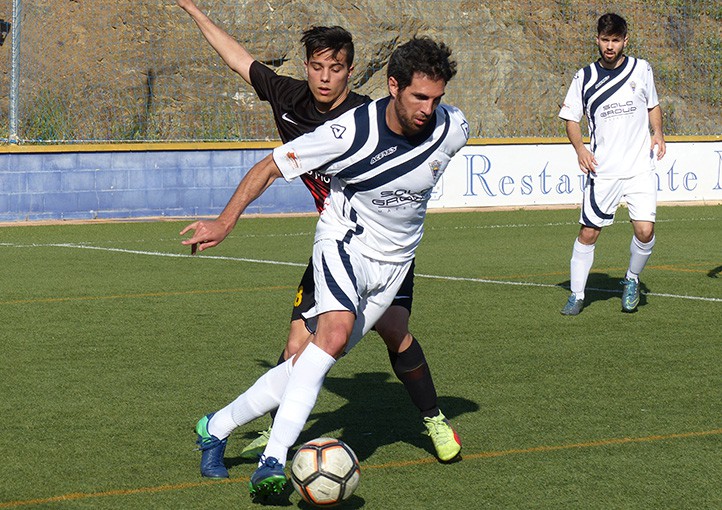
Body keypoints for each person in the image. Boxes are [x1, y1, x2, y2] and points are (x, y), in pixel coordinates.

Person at [181, 36, 469, 497]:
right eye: (419, 97)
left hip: (395, 267)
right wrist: (224, 221)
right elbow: (270, 167)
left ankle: (214, 427)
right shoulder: (349, 132)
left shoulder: (453, 127)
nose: (427, 109)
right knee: (329, 336)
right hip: (344, 244)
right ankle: (273, 460)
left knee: (312, 361)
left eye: (436, 99)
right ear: (393, 86)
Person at [558, 12, 665, 316]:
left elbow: (653, 105)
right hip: (603, 170)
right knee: (589, 233)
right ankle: (577, 295)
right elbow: (570, 118)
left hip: (639, 168)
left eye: (615, 40)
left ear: (624, 41)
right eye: (605, 40)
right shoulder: (585, 77)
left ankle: (631, 279)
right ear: (597, 40)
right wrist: (580, 149)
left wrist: (657, 133)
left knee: (645, 231)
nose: (609, 46)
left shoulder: (641, 69)